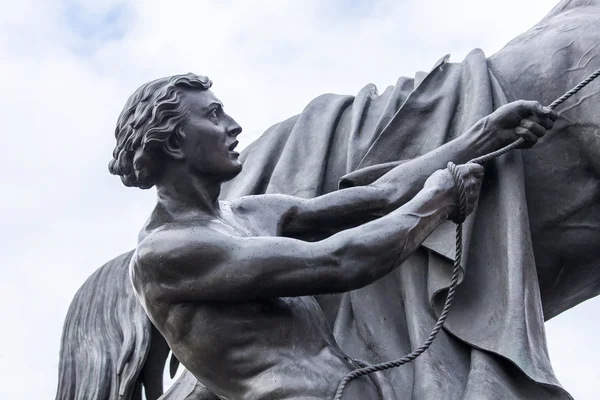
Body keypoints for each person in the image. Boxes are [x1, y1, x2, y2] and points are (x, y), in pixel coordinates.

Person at [109, 73, 556, 400]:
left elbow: (382, 195)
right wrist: (436, 203)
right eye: (213, 115)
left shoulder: (253, 212)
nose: (233, 125)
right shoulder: (167, 251)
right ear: (172, 143)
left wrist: (485, 134)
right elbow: (339, 262)